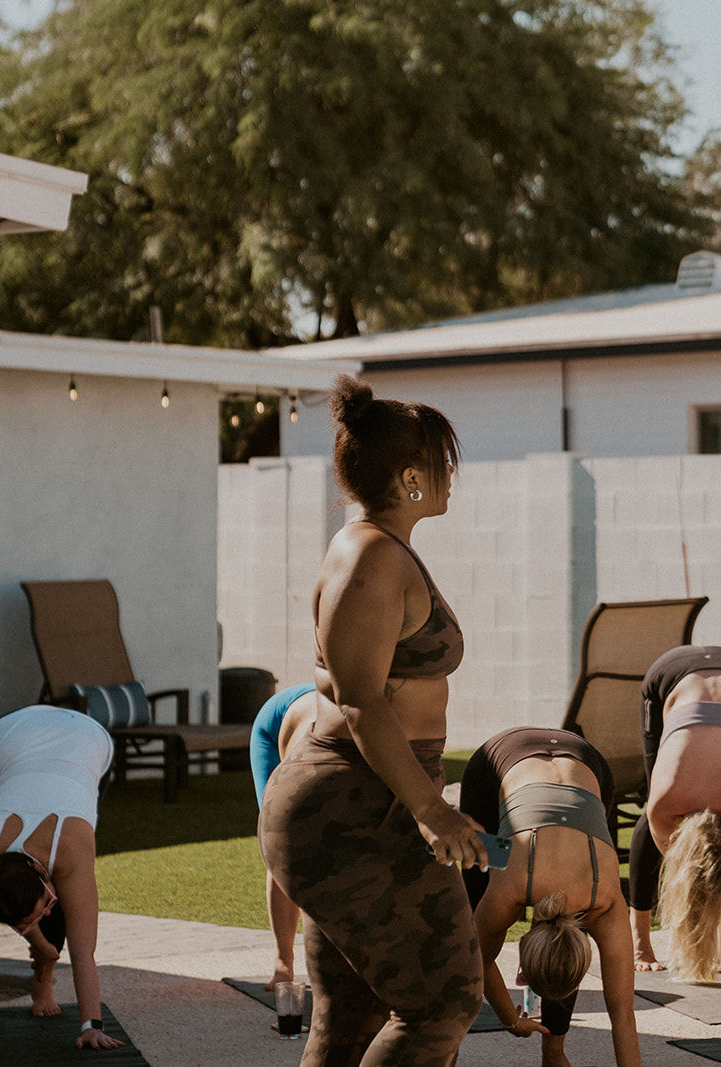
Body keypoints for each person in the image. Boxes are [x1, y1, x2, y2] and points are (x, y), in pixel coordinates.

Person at [259, 375, 485, 1067]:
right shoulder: (371, 557)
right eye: (442, 461)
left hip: (363, 803)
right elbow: (360, 700)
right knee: (444, 1001)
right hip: (356, 809)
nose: (452, 475)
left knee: (354, 1008)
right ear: (411, 476)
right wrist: (431, 809)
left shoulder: (377, 548)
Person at [0, 704, 125, 1051]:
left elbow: (85, 952)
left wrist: (91, 1025)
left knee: (67, 905)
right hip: (6, 740)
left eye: (43, 906)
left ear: (42, 875)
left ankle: (43, 984)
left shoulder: (72, 849)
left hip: (85, 737)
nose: (47, 912)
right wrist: (42, 945)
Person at [458, 727, 641, 1067]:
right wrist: (509, 1019)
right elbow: (624, 1017)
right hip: (504, 757)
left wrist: (511, 1020)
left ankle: (553, 1055)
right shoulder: (511, 887)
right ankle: (448, 1051)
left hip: (585, 758)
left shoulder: (605, 901)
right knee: (468, 912)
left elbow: (622, 1016)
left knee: (483, 935)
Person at [628, 645, 721, 989]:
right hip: (675, 675)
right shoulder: (665, 805)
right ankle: (640, 945)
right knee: (647, 811)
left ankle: (647, 945)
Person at [248, 682, 319, 990]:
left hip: (313, 720)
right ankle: (283, 963)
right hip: (275, 724)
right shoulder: (312, 751)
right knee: (281, 849)